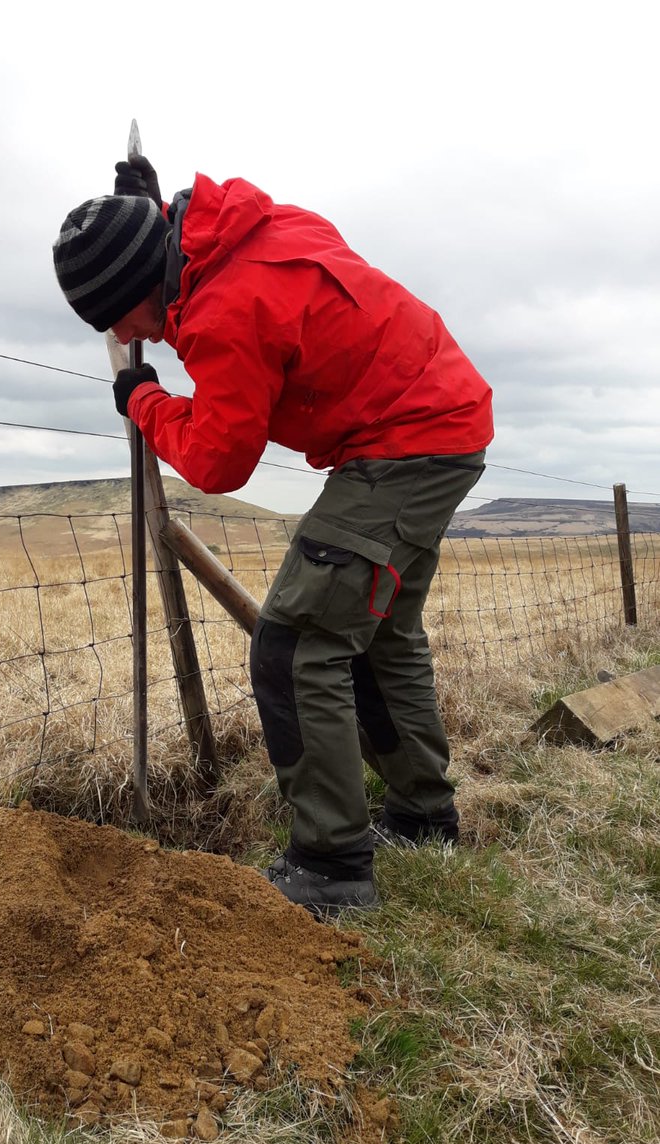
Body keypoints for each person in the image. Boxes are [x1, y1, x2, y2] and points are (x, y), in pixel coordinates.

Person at [53, 157, 493, 919]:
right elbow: (174, 268)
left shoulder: (225, 310)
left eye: (119, 316)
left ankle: (331, 866)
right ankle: (424, 821)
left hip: (406, 442)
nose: (125, 335)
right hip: (439, 419)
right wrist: (146, 209)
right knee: (378, 639)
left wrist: (145, 400)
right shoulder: (232, 232)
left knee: (296, 646)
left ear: (142, 285)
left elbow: (221, 460)